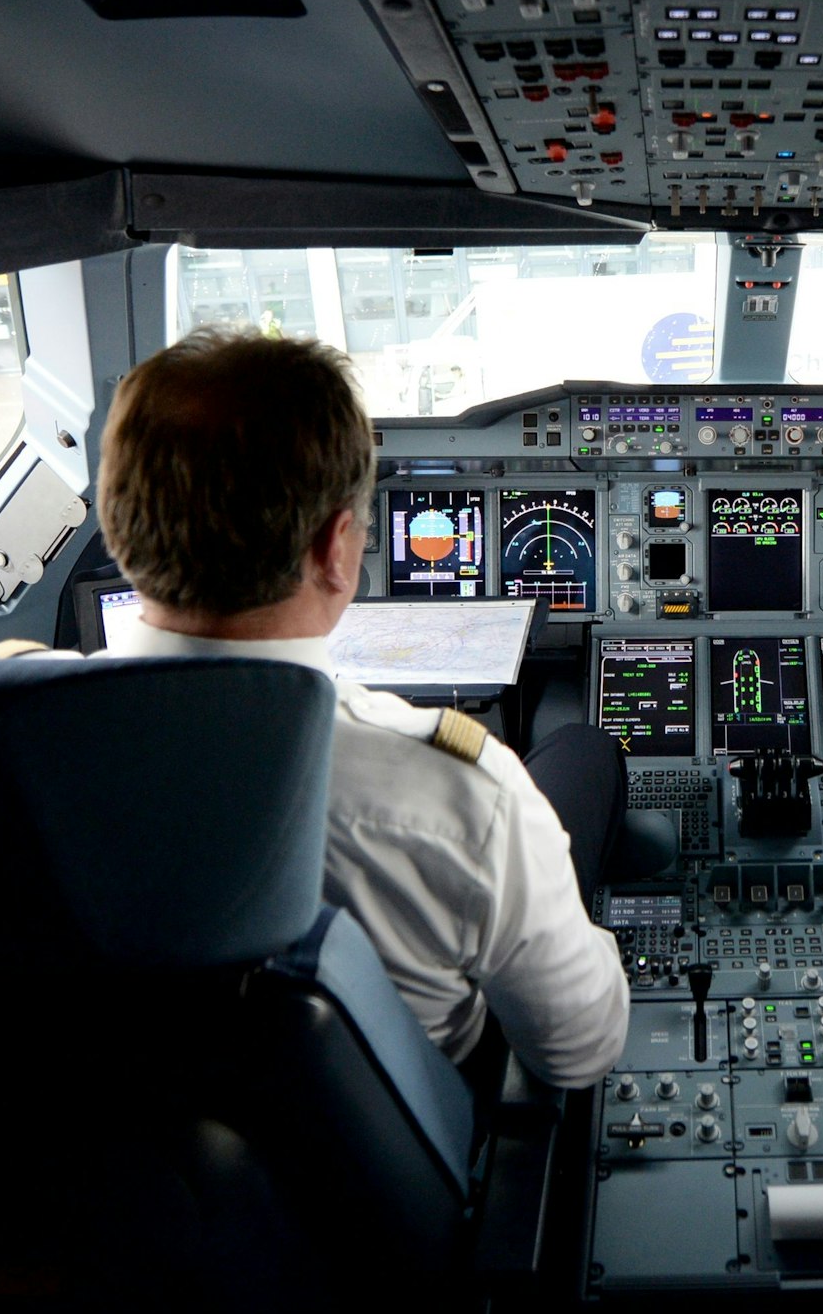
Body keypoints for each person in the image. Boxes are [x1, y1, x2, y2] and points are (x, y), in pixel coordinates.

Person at [93, 329, 629, 1089]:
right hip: (385, 1143)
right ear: (337, 548)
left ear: (116, 522)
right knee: (581, 750)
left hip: (99, 1140)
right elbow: (580, 1052)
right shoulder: (459, 799)